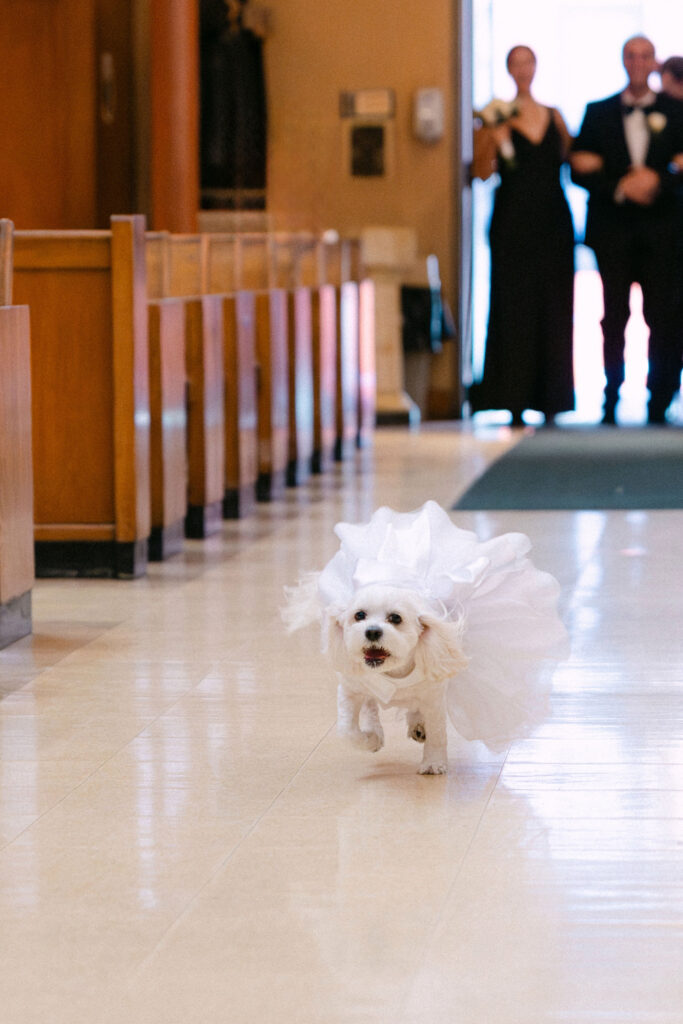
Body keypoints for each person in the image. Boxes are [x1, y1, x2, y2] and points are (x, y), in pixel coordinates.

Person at [571, 36, 683, 425]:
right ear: (623, 61)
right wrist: (620, 185)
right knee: (613, 316)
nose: (637, 63)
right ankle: (610, 394)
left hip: (662, 230)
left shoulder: (676, 110)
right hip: (612, 230)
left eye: (645, 56)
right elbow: (578, 167)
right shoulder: (598, 111)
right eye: (631, 56)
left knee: (662, 316)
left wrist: (658, 180)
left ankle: (658, 398)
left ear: (654, 63)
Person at [469, 45, 576, 427]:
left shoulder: (555, 116)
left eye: (528, 62)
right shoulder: (494, 118)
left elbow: (573, 162)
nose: (523, 69)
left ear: (536, 67)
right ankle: (512, 396)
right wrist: (491, 138)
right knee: (513, 305)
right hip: (513, 221)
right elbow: (480, 173)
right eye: (516, 63)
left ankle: (552, 396)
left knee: (554, 304)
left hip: (552, 221)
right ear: (508, 69)